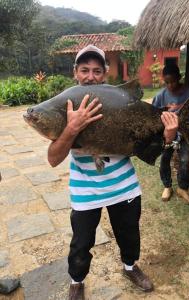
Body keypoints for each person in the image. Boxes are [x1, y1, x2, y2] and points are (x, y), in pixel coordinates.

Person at [47, 45, 178, 300]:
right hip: (86, 192)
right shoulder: (67, 104)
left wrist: (168, 134)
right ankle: (77, 281)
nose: (90, 76)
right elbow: (53, 159)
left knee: (129, 234)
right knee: (81, 244)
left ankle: (130, 267)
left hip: (124, 187)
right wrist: (72, 128)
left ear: (105, 74)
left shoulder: (117, 100)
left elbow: (148, 145)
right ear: (75, 72)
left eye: (97, 71)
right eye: (84, 70)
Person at [152, 63, 189, 203]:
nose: (170, 85)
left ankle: (182, 188)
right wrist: (164, 130)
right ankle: (167, 186)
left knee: (184, 160)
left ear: (179, 77)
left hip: (185, 133)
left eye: (173, 81)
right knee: (164, 160)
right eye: (167, 82)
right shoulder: (160, 96)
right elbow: (154, 115)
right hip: (167, 135)